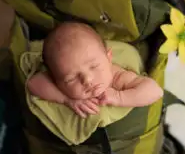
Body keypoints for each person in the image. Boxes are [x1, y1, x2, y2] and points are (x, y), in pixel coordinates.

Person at [27, 22, 163, 118]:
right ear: (57, 80)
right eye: (71, 78)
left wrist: (119, 97)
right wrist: (66, 100)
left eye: (94, 67)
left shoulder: (118, 78)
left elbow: (154, 91)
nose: (87, 80)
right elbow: (33, 83)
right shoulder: (60, 75)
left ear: (108, 57)